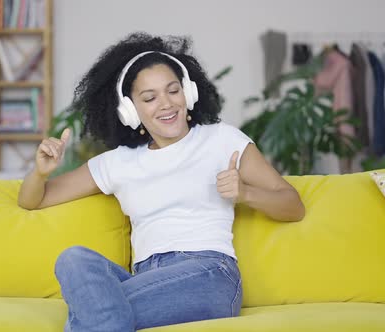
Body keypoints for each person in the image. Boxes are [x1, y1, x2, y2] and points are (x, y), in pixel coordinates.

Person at [18, 32, 305, 332]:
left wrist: (245, 192)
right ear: (130, 111)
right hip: (143, 279)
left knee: (95, 309)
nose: (166, 104)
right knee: (73, 260)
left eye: (173, 90)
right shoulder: (118, 162)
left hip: (208, 275)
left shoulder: (222, 140)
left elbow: (293, 206)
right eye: (150, 98)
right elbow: (32, 200)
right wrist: (41, 172)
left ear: (188, 93)